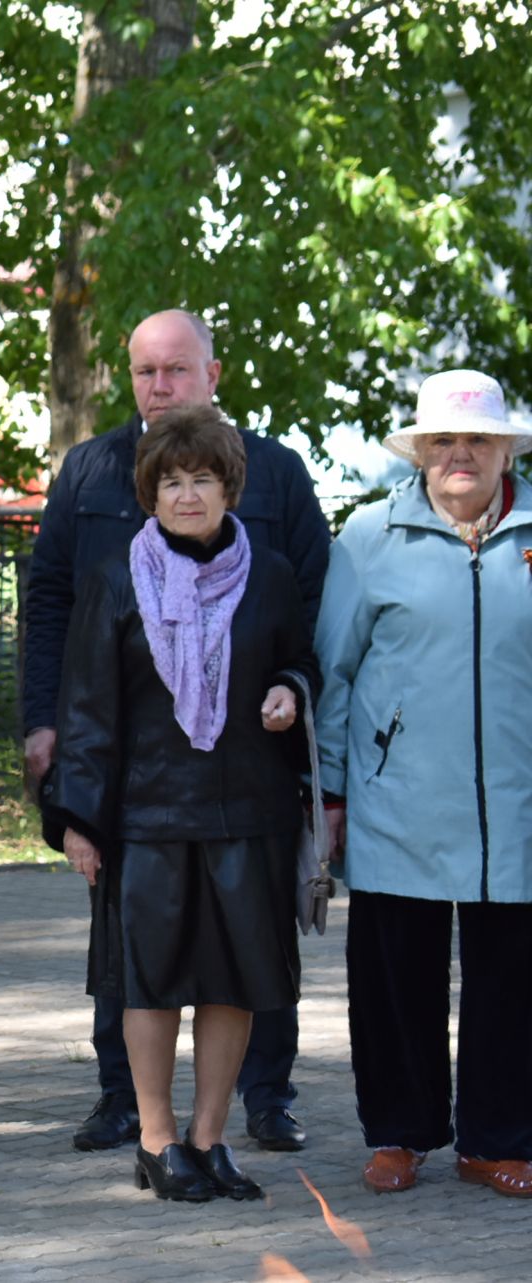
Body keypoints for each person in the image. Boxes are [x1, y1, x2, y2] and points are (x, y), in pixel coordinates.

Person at [22, 308, 330, 1154]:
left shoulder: (276, 476)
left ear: (212, 375)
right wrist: (50, 748)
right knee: (141, 963)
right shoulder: (90, 474)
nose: (160, 387)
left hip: (245, 784)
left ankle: (261, 1101)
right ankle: (128, 1105)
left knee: (247, 960)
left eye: (176, 370)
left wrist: (292, 691)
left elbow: (308, 617)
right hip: (140, 787)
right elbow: (56, 614)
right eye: (145, 372)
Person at [315, 369, 532, 1200]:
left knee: (511, 981)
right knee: (395, 980)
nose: (460, 454)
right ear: (421, 451)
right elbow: (333, 672)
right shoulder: (370, 536)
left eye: (476, 438)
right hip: (395, 799)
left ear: (505, 446)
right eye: (443, 439)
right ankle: (399, 1134)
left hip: (514, 806)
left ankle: (498, 1138)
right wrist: (331, 795)